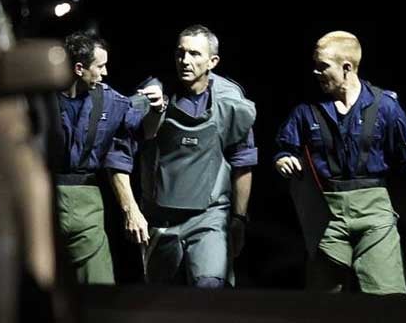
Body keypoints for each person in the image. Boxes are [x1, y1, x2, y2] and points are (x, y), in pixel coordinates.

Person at [274, 30, 406, 294]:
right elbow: (285, 148)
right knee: (321, 302)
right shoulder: (307, 111)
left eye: (323, 67)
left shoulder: (385, 107)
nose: (316, 73)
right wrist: (284, 159)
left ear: (346, 67)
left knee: (387, 296)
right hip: (326, 213)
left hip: (374, 210)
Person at [129, 24, 257, 288]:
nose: (185, 61)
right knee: (160, 301)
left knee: (209, 289)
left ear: (213, 61)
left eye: (195, 54)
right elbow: (128, 148)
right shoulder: (155, 93)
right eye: (180, 53)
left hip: (209, 214)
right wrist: (154, 109)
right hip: (161, 216)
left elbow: (243, 162)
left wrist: (239, 218)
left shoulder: (230, 102)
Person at [51, 29, 164, 284]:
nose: (105, 72)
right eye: (100, 66)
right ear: (79, 68)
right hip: (44, 198)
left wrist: (157, 107)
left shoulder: (109, 100)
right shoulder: (42, 100)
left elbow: (142, 128)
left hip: (86, 205)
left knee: (99, 285)